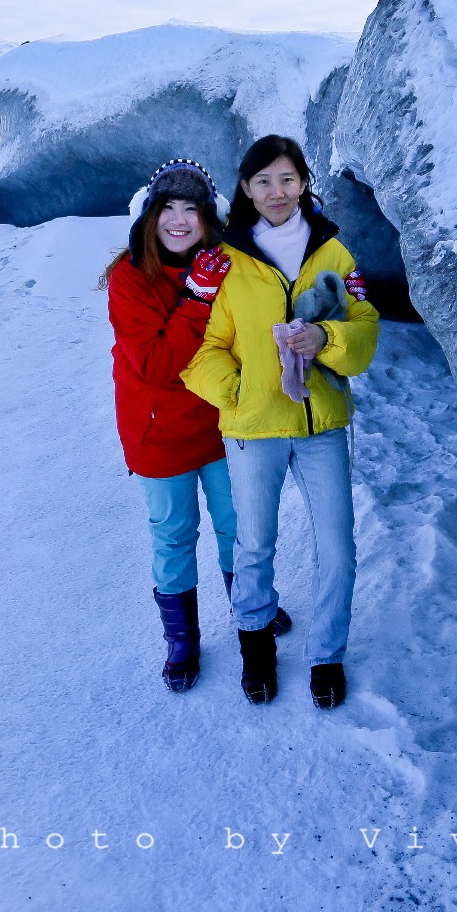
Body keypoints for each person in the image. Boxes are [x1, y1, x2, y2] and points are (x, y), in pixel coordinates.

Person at [182, 136, 380, 709]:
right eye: (263, 181)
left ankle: (326, 656)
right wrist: (239, 394)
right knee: (254, 545)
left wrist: (326, 338)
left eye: (288, 179)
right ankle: (257, 652)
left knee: (338, 548)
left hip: (321, 427)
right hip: (253, 429)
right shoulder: (225, 261)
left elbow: (364, 341)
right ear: (245, 188)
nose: (277, 192)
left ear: (304, 183)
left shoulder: (334, 255)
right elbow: (202, 347)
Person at [103, 158, 289, 693]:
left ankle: (250, 607)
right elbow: (160, 366)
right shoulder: (129, 278)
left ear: (210, 219)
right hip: (158, 433)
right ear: (148, 216)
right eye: (168, 208)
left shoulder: (228, 266)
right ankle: (182, 639)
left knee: (240, 528)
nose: (179, 220)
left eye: (192, 209)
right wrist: (197, 299)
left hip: (225, 423)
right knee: (175, 536)